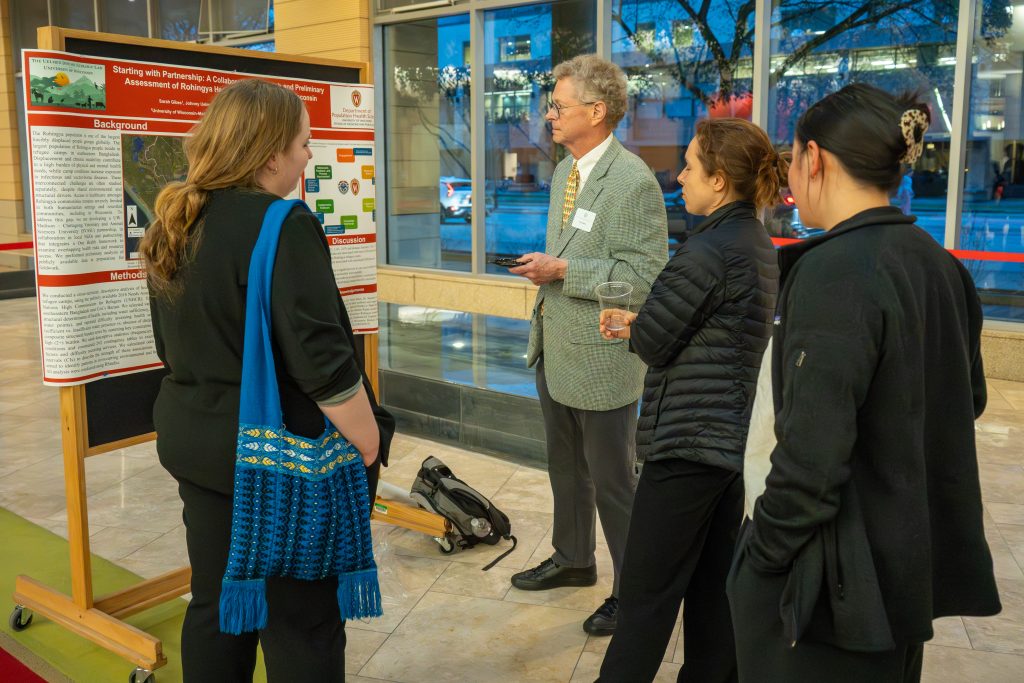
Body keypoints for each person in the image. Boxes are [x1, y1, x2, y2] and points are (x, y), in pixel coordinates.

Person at [729, 83, 1001, 682]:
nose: (791, 175)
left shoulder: (836, 270)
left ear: (816, 158)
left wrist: (760, 561)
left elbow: (812, 455)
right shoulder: (939, 263)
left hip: (834, 588)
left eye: (792, 158)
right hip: (903, 569)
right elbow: (967, 398)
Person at [140, 79, 393, 682]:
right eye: (304, 143)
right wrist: (369, 438)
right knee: (302, 623)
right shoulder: (284, 224)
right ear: (271, 151)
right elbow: (322, 359)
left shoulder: (178, 218)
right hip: (278, 460)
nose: (309, 156)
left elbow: (168, 346)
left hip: (198, 447)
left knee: (219, 606)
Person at [596, 118, 784, 683]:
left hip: (686, 446)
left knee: (645, 597)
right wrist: (647, 319)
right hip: (727, 445)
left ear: (720, 181)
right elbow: (715, 330)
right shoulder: (753, 241)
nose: (679, 177)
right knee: (712, 595)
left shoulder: (707, 251)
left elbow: (655, 341)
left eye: (690, 165)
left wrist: (638, 324)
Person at [507, 54, 668, 635]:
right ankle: (574, 559)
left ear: (597, 111)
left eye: (559, 105)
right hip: (555, 348)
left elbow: (645, 278)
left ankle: (634, 593)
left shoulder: (633, 182)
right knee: (565, 471)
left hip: (603, 360)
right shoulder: (563, 173)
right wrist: (548, 269)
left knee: (614, 484)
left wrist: (560, 273)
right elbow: (578, 252)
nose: (549, 114)